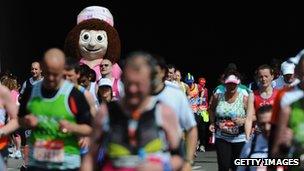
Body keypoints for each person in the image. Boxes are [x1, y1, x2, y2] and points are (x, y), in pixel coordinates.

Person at [82, 51, 183, 171]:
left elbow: (179, 158)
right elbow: (90, 157)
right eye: (129, 83)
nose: (133, 89)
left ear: (150, 82)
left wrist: (162, 166)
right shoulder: (105, 113)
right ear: (122, 80)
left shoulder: (164, 112)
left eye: (138, 84)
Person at [18, 48, 92, 171]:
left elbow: (89, 128)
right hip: (37, 162)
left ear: (62, 70)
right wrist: (27, 122)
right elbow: (19, 119)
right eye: (48, 73)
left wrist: (72, 127)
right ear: (42, 68)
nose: (51, 78)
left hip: (66, 163)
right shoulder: (30, 91)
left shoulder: (74, 94)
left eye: (56, 74)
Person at [152, 56, 197, 171]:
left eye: (155, 71)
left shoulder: (175, 93)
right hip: (148, 154)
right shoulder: (138, 95)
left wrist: (188, 161)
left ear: (163, 72)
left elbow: (191, 128)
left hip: (173, 150)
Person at [209, 73, 248, 171]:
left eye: (234, 84)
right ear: (225, 84)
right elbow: (211, 110)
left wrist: (243, 120)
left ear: (238, 84)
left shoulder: (244, 97)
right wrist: (212, 122)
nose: (232, 86)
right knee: (223, 166)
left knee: (238, 167)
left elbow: (253, 115)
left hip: (239, 138)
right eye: (229, 84)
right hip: (222, 137)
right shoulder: (217, 96)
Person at [245, 65, 278, 139]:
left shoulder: (278, 94)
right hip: (258, 135)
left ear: (272, 77)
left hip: (275, 134)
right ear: (257, 78)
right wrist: (247, 137)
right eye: (261, 76)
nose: (263, 79)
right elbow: (249, 118)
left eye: (266, 76)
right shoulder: (252, 95)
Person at [237, 105, 272, 171]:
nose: (267, 128)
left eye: (270, 123)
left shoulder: (288, 143)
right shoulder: (250, 145)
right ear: (258, 124)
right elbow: (241, 168)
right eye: (262, 124)